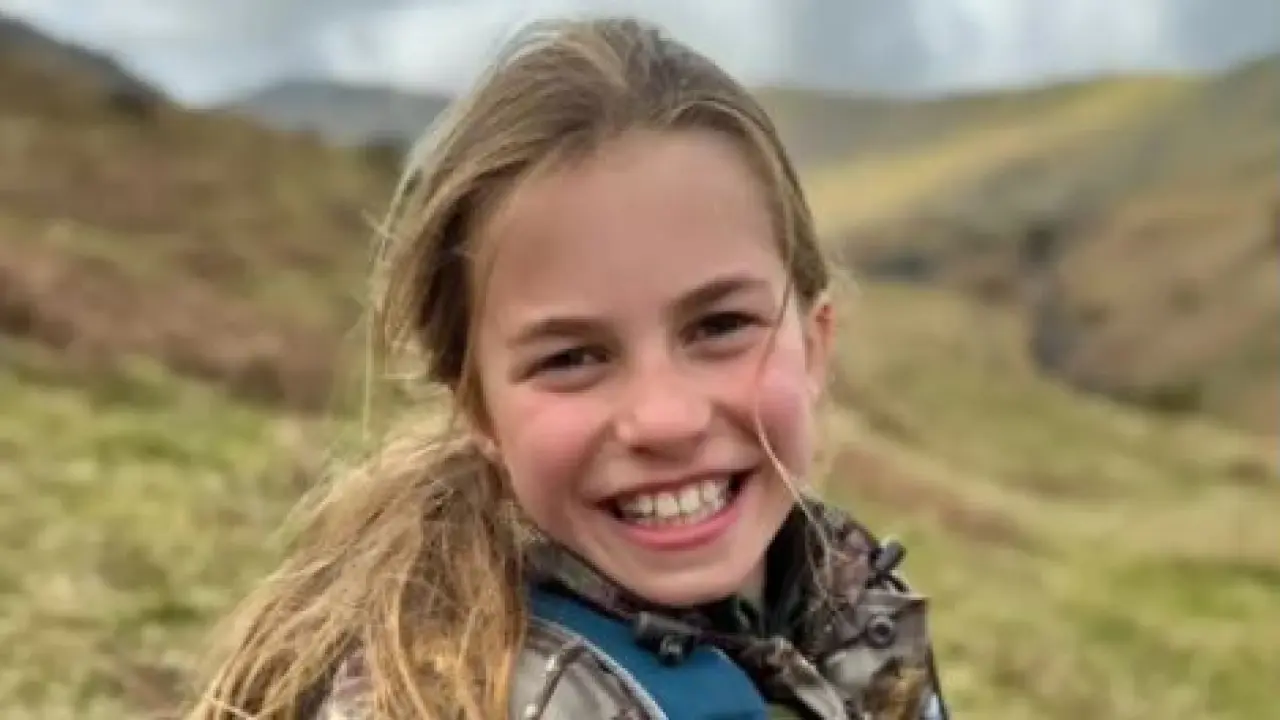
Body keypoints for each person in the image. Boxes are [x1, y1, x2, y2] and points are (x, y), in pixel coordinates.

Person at [182, 15, 951, 720]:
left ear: (814, 344)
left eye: (720, 326)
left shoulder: (850, 607)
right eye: (573, 358)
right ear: (479, 410)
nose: (666, 419)